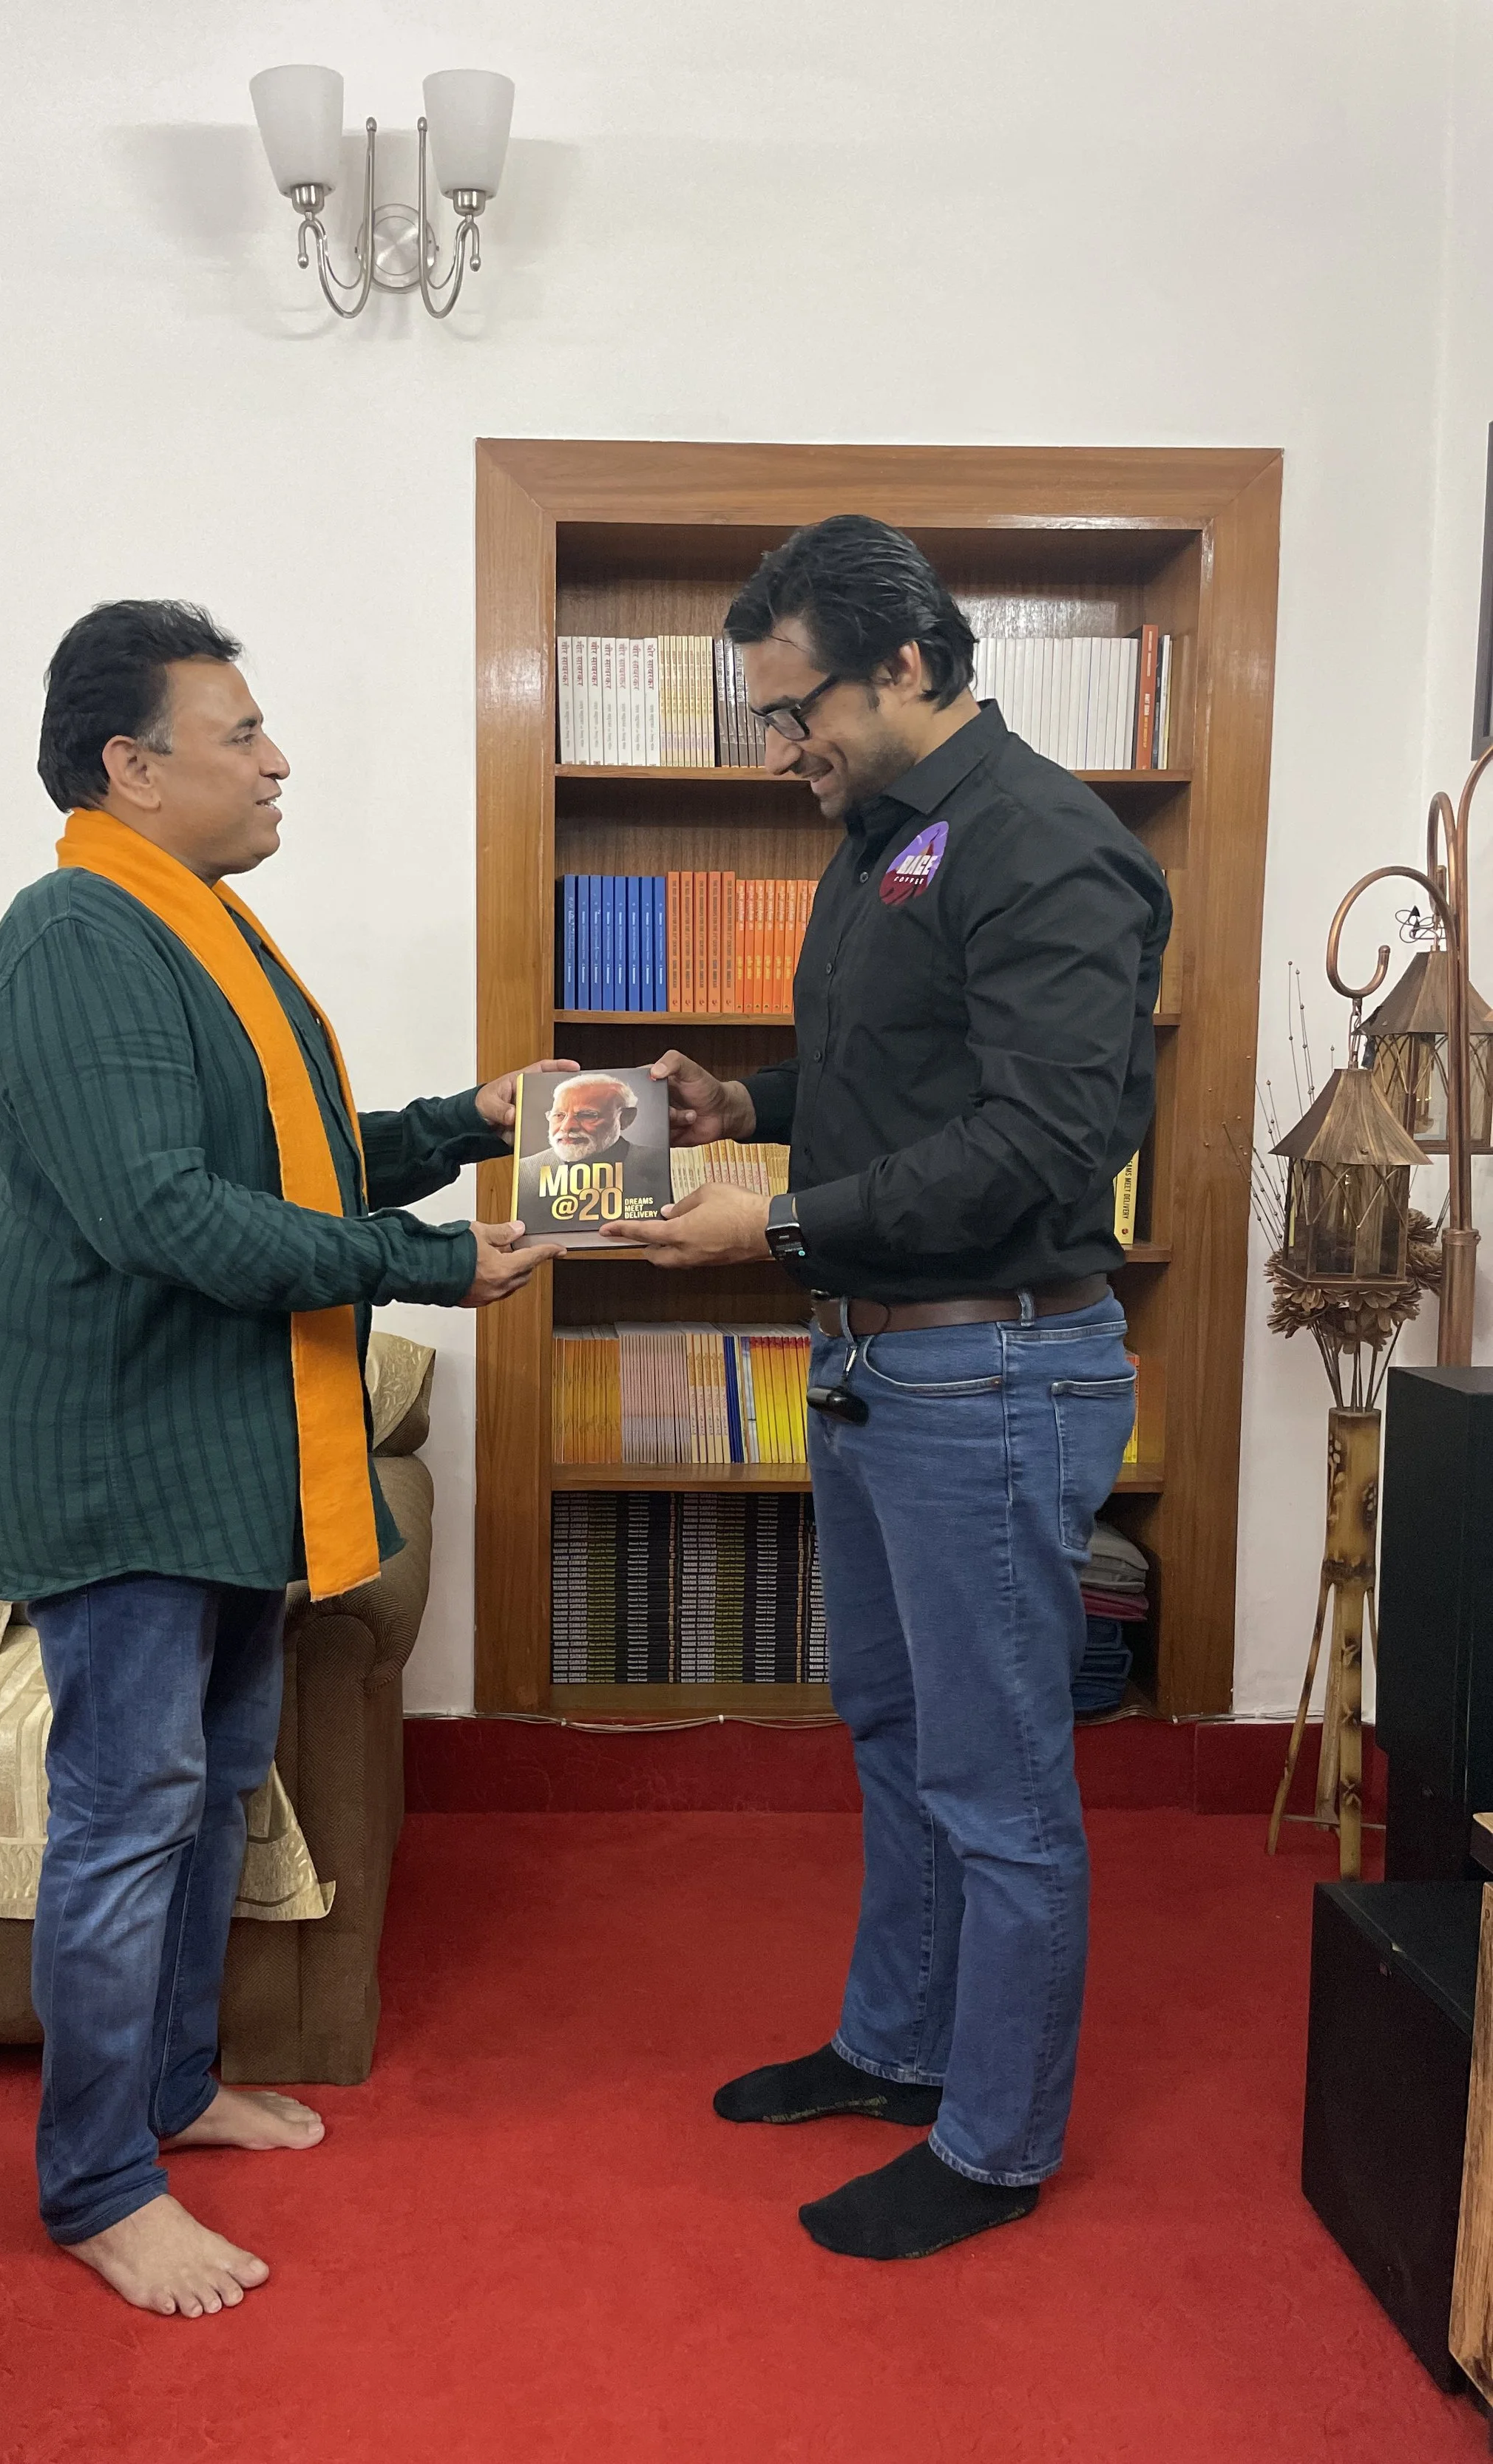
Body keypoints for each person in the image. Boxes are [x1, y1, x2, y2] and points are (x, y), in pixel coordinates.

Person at [0, 599, 564, 2319]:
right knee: (131, 1816)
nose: (277, 756)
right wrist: (440, 1261)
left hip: (225, 1455)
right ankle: (95, 2184)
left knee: (213, 1795)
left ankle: (168, 2090)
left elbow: (299, 1165)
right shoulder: (79, 936)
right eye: (240, 734)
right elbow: (166, 1217)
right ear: (132, 769)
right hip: (130, 1461)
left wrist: (473, 1127)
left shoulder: (199, 927)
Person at [612, 516, 1169, 2260]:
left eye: (801, 713)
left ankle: (997, 2143)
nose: (789, 751)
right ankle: (900, 2045)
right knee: (894, 1733)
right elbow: (905, 1073)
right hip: (875, 1360)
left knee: (998, 1783)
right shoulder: (881, 840)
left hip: (990, 1366)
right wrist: (746, 1108)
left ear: (909, 664)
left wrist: (769, 1217)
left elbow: (1043, 1141)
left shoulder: (1051, 849)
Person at [512, 1069, 669, 1226]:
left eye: (587, 1115)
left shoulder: (661, 1165)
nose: (566, 1127)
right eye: (559, 1115)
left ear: (626, 1118)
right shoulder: (525, 1172)